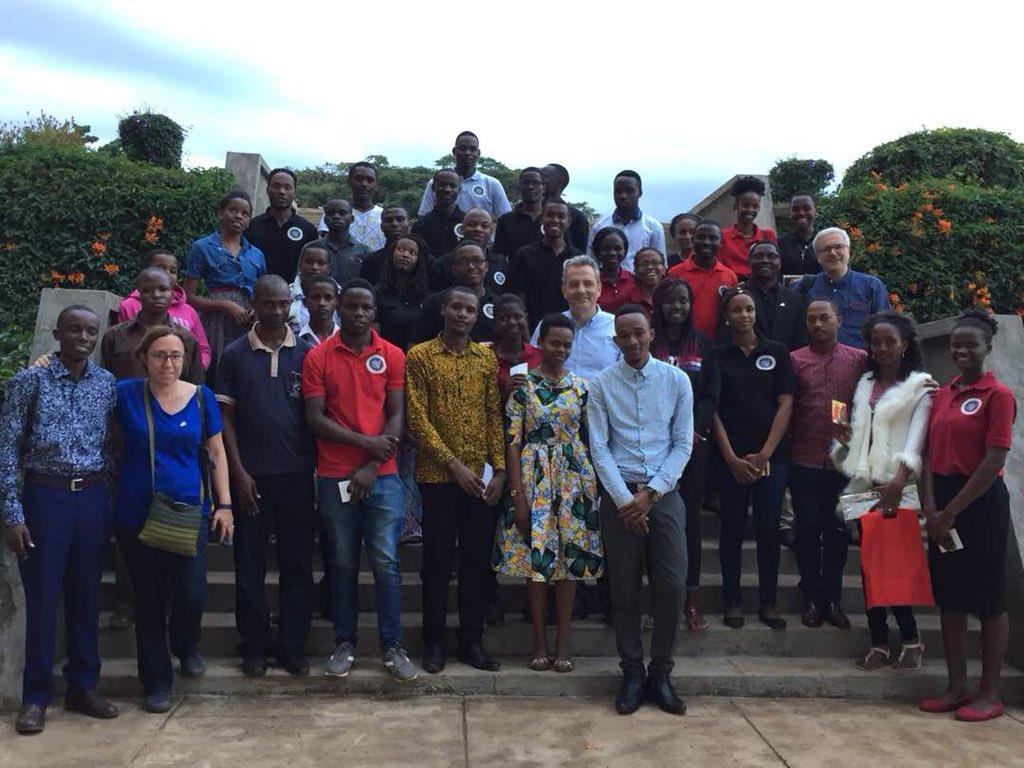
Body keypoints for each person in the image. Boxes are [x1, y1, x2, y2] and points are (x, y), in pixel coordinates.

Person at [2, 306, 119, 735]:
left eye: (90, 331)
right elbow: (8, 448)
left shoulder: (105, 384)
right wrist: (13, 514)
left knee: (87, 598)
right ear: (57, 332)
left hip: (90, 499)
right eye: (74, 329)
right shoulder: (29, 381)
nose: (83, 337)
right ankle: (35, 697)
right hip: (44, 498)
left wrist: (104, 498)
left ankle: (83, 687)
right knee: (44, 601)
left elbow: (110, 444)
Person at [113, 324, 233, 714]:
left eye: (176, 355)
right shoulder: (124, 394)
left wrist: (225, 504)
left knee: (191, 592)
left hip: (188, 514)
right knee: (148, 600)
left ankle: (187, 644)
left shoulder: (202, 398)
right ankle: (157, 682)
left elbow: (216, 451)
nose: (168, 363)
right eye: (160, 355)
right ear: (144, 359)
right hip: (137, 513)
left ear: (187, 359)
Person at [303, 278, 418, 682]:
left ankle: (392, 646)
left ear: (374, 312)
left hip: (382, 476)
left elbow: (397, 414)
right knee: (343, 561)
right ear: (339, 310)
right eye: (350, 305)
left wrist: (372, 462)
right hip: (334, 473)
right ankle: (345, 642)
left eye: (365, 307)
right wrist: (365, 444)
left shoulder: (391, 355)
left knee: (385, 562)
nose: (357, 312)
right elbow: (315, 418)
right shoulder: (318, 356)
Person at [588, 304, 693, 716]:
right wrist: (624, 500)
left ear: (651, 334)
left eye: (639, 334)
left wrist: (650, 495)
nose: (632, 342)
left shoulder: (676, 380)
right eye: (623, 336)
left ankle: (661, 672)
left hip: (664, 496)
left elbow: (682, 442)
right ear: (615, 340)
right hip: (618, 500)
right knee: (625, 590)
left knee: (671, 586)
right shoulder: (601, 385)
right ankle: (632, 672)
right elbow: (599, 447)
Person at [216, 275, 317, 678]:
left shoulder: (308, 353)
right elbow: (225, 418)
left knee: (297, 564)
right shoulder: (235, 354)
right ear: (253, 304)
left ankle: (293, 646)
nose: (276, 311)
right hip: (251, 476)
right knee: (249, 564)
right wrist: (237, 472)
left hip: (296, 475)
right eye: (268, 304)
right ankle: (253, 646)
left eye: (282, 304)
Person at [920, 311, 1016, 722]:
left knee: (990, 598)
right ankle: (956, 685)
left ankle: (989, 692)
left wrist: (951, 511)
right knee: (951, 597)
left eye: (970, 345)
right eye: (956, 345)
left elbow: (993, 459)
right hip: (940, 501)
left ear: (987, 349)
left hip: (978, 503)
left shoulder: (999, 396)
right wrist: (931, 509)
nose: (961, 351)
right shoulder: (942, 394)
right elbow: (926, 456)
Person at [406, 286, 506, 673]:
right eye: (457, 307)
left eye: (471, 309)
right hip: (438, 477)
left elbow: (493, 415)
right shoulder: (421, 356)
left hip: (481, 479)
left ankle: (472, 641)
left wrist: (498, 470)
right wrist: (453, 465)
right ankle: (433, 642)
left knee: (477, 562)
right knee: (436, 561)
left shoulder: (485, 358)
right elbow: (417, 418)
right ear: (444, 309)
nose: (463, 315)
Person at [495, 312, 601, 672]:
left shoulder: (581, 388)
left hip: (573, 479)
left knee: (568, 564)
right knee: (536, 562)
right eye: (555, 342)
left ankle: (563, 643)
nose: (561, 349)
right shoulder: (521, 385)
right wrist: (518, 496)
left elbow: (593, 437)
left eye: (567, 344)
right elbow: (511, 441)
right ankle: (539, 641)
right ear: (540, 343)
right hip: (533, 476)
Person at [831, 311, 931, 672]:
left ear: (905, 344)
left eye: (891, 341)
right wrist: (840, 450)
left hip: (895, 487)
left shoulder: (920, 385)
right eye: (877, 342)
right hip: (864, 486)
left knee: (893, 566)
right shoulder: (865, 382)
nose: (884, 348)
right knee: (870, 566)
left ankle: (910, 637)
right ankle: (878, 641)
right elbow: (856, 432)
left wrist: (898, 481)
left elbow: (917, 440)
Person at [713, 287, 794, 630]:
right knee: (731, 528)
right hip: (730, 459)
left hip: (769, 458)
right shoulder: (718, 356)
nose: (744, 315)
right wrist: (731, 457)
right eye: (736, 310)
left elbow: (786, 403)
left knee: (767, 528)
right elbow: (712, 410)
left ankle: (768, 601)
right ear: (727, 317)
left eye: (749, 309)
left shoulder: (777, 352)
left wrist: (765, 454)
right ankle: (732, 600)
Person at [788, 299, 865, 629]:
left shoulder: (858, 359)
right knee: (805, 527)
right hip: (803, 459)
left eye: (825, 318)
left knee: (836, 531)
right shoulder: (795, 360)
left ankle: (831, 598)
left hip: (842, 463)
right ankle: (810, 595)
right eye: (812, 319)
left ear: (839, 319)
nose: (818, 324)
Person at [650, 278, 720, 632]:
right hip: (651, 448)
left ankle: (690, 599)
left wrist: (691, 429)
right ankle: (655, 600)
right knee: (654, 519)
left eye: (683, 302)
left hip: (693, 447)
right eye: (670, 301)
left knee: (688, 520)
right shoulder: (649, 343)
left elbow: (710, 394)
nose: (677, 308)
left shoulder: (704, 344)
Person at [183, 190, 266, 384]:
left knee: (246, 373)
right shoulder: (202, 247)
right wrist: (226, 305)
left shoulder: (257, 255)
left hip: (249, 322)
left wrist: (255, 310)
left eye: (245, 213)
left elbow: (263, 292)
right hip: (216, 322)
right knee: (217, 371)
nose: (239, 216)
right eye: (233, 210)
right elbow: (189, 296)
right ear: (221, 213)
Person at [103, 267, 205, 384]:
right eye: (147, 290)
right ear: (139, 294)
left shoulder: (187, 339)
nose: (156, 295)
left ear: (172, 294)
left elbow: (195, 386)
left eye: (163, 289)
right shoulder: (115, 336)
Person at [530, 256, 620, 383]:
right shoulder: (548, 326)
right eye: (574, 284)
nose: (581, 290)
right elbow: (533, 370)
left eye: (588, 284)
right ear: (564, 290)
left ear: (599, 289)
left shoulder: (616, 327)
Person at [119, 248, 212, 368]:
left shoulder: (189, 311)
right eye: (160, 268)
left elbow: (203, 348)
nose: (167, 273)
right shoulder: (130, 305)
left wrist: (195, 368)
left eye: (173, 270)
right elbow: (123, 343)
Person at [799, 227, 890, 349]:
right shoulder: (805, 287)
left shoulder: (872, 286)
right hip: (818, 364)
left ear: (848, 250)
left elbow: (883, 328)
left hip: (862, 363)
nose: (832, 252)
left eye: (838, 247)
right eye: (826, 249)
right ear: (817, 256)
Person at [507, 198, 582, 325]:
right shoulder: (525, 254)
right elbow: (519, 296)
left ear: (568, 222)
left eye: (561, 216)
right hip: (533, 327)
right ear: (542, 218)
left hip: (568, 328)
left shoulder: (578, 258)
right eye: (550, 215)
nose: (555, 220)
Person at [411, 240, 497, 344]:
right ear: (454, 269)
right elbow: (415, 345)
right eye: (463, 261)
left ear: (487, 266)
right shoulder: (435, 302)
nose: (471, 266)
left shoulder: (498, 304)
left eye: (477, 260)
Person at [666, 220, 738, 338]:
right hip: (685, 343)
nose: (706, 242)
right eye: (701, 237)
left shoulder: (729, 276)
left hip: (719, 343)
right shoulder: (675, 273)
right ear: (693, 240)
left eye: (713, 238)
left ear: (721, 243)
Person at [417, 131, 512, 218]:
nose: (467, 153)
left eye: (472, 149)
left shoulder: (492, 184)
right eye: (462, 148)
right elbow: (424, 215)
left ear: (478, 153)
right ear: (454, 151)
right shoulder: (436, 183)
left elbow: (505, 218)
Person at [246, 168, 318, 281]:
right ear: (267, 189)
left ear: (294, 192)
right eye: (276, 186)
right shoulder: (252, 226)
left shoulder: (308, 230)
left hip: (295, 295)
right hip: (258, 293)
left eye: (287, 187)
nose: (282, 191)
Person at [733, 240, 807, 349]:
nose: (765, 260)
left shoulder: (795, 300)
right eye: (758, 256)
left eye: (772, 256)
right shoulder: (735, 297)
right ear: (749, 262)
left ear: (780, 262)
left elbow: (801, 341)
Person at [587, 170, 667, 272]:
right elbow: (591, 264)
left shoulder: (653, 227)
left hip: (640, 286)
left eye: (629, 190)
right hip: (605, 285)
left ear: (640, 193)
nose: (623, 196)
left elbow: (661, 266)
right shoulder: (599, 227)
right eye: (618, 191)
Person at [429, 208, 507, 293]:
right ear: (461, 229)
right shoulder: (443, 264)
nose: (478, 229)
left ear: (491, 231)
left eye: (484, 226)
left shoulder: (500, 262)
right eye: (471, 225)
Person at [375, 234, 432, 350]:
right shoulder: (378, 293)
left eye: (412, 253)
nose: (405, 255)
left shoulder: (427, 297)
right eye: (401, 250)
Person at [317, 162, 385, 252]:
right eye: (359, 179)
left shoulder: (385, 216)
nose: (364, 184)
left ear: (376, 185)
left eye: (370, 180)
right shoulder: (334, 213)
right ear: (349, 182)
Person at [717, 176, 777, 278]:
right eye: (745, 205)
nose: (750, 210)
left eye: (755, 206)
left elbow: (775, 267)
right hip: (732, 289)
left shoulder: (767, 236)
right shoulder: (722, 237)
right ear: (735, 206)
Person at [309, 199, 372, 287]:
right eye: (331, 213)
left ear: (352, 219)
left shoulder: (364, 251)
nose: (336, 216)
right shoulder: (312, 248)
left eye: (342, 213)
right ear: (325, 219)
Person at [492, 294, 543, 401]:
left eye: (517, 317)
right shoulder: (488, 358)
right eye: (504, 318)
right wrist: (504, 393)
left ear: (526, 318)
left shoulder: (540, 355)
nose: (512, 322)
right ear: (495, 322)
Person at [493, 167, 544, 258]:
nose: (530, 187)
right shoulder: (505, 220)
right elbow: (499, 255)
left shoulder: (553, 219)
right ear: (519, 187)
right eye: (525, 182)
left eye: (535, 182)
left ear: (544, 188)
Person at [412, 170, 464, 260]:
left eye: (453, 186)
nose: (447, 189)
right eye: (442, 185)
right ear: (433, 188)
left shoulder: (467, 223)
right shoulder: (421, 225)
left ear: (459, 189)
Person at [541, 163, 590, 253]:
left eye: (545, 176)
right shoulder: (528, 212)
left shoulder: (577, 218)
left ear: (560, 182)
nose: (540, 180)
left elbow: (580, 254)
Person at [360, 205, 415, 285]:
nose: (394, 224)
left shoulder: (423, 257)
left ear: (409, 225)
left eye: (400, 219)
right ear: (382, 227)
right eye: (388, 220)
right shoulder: (371, 261)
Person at [288, 243, 333, 332]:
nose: (314, 267)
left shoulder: (340, 295)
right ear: (300, 265)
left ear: (329, 268)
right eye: (309, 262)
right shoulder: (286, 293)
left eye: (320, 263)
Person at [593, 227, 635, 313]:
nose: (612, 253)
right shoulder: (590, 281)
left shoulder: (634, 281)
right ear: (597, 251)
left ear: (625, 251)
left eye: (618, 248)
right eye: (606, 249)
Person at [777, 193, 820, 276]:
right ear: (790, 213)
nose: (801, 213)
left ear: (815, 211)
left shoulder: (825, 242)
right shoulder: (780, 244)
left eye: (807, 208)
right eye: (795, 209)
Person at [298, 274, 340, 345]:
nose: (321, 303)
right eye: (315, 298)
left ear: (337, 302)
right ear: (305, 302)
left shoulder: (348, 341)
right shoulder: (296, 342)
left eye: (328, 298)